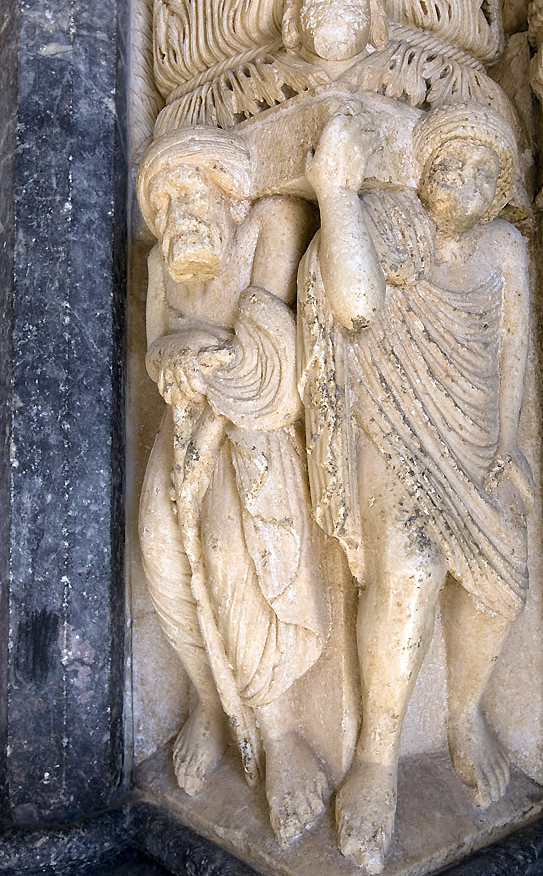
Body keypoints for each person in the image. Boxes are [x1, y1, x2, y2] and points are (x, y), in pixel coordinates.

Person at [298, 104, 533, 873]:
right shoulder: (393, 226)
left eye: (479, 172)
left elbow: (512, 349)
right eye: (445, 165)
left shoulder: (504, 248)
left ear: (499, 193)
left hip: (473, 444)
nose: (458, 180)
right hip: (392, 428)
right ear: (421, 172)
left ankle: (462, 715)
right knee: (412, 568)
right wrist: (336, 194)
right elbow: (355, 307)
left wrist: (505, 446)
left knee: (504, 587)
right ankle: (376, 757)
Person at [137, 126, 330, 846]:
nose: (179, 216)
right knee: (160, 550)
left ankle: (278, 730)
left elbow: (270, 346)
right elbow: (155, 346)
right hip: (185, 427)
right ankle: (210, 697)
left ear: (228, 192)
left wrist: (196, 353)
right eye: (166, 205)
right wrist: (180, 355)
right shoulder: (162, 262)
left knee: (227, 549)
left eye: (191, 196)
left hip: (251, 432)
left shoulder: (269, 224)